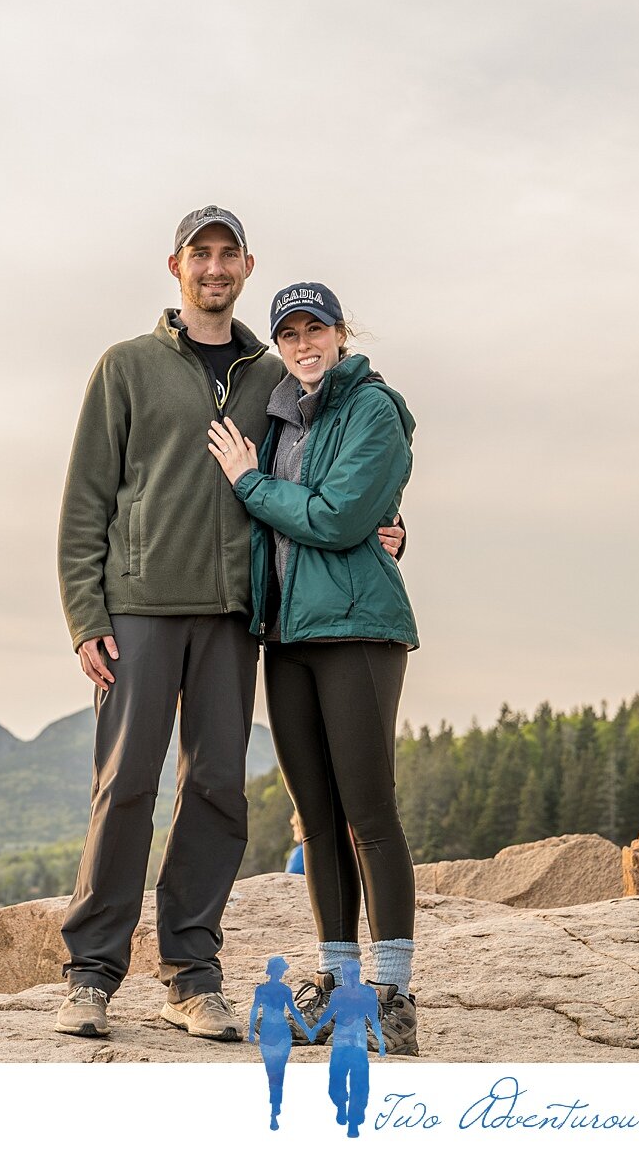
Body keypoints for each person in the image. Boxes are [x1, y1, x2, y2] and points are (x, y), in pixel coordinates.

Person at [54, 210, 403, 1042]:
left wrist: (393, 522)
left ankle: (191, 976)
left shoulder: (266, 374)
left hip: (236, 616)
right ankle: (91, 976)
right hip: (138, 607)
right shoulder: (127, 367)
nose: (214, 268)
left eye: (227, 255)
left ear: (247, 265)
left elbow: (330, 465)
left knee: (216, 793)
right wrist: (84, 614)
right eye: (198, 255)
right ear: (175, 266)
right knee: (126, 786)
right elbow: (85, 502)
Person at [207, 280, 422, 1058]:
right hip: (288, 636)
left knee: (369, 812)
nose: (304, 344)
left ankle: (395, 997)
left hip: (359, 631)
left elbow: (336, 516)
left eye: (316, 329)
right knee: (318, 817)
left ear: (340, 333)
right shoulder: (280, 417)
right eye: (290, 332)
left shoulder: (373, 407)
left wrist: (249, 482)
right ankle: (340, 986)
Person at [305, 959, 383, 1137]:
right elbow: (329, 1013)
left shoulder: (367, 993)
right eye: (347, 973)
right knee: (336, 1081)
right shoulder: (339, 993)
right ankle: (340, 1106)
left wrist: (381, 1040)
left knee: (359, 1083)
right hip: (339, 1041)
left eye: (353, 973)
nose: (350, 977)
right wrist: (316, 1029)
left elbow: (375, 1019)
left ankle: (355, 1121)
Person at [247, 955, 314, 1130]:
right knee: (274, 1071)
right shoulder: (278, 989)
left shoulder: (273, 989)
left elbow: (291, 1011)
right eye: (281, 970)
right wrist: (250, 1030)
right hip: (277, 1030)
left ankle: (275, 1110)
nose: (282, 972)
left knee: (276, 1071)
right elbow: (256, 1009)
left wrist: (307, 1030)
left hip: (275, 1030)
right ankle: (274, 1109)